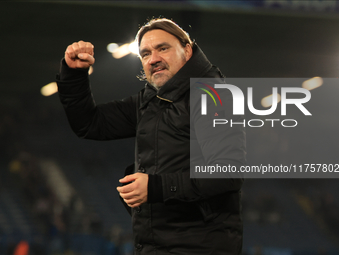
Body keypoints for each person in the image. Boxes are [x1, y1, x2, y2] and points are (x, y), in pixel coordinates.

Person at [56, 18, 246, 255]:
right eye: (145, 54)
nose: (153, 59)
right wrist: (74, 75)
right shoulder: (150, 102)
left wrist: (156, 187)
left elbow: (228, 173)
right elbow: (89, 124)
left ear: (187, 50)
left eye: (163, 48)